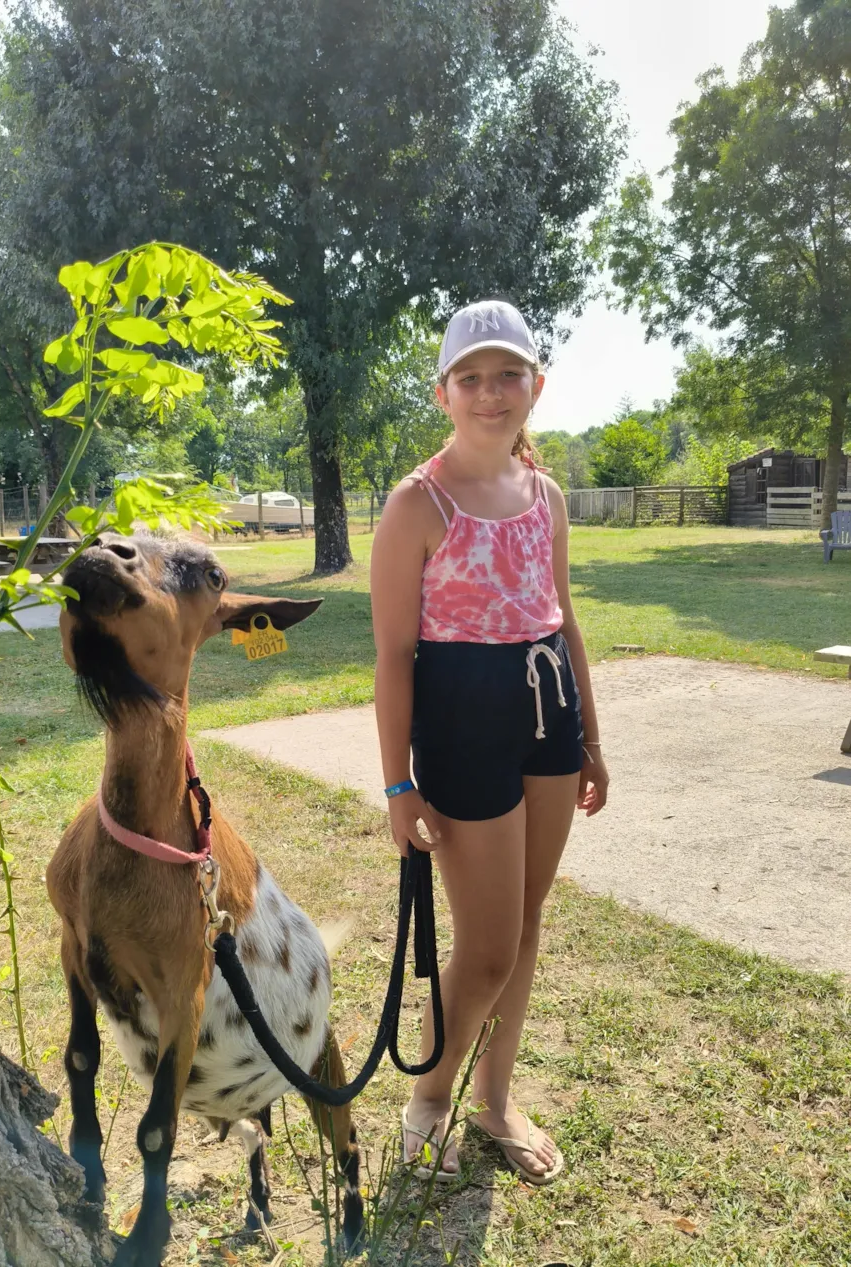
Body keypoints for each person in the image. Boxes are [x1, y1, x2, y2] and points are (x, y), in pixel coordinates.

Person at [370, 300, 609, 1185]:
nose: (490, 391)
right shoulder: (416, 504)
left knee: (527, 919)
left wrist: (591, 737)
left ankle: (494, 1098)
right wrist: (398, 785)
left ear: (535, 385)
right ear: (443, 393)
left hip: (548, 715)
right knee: (486, 946)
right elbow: (394, 657)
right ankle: (430, 1097)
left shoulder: (547, 496)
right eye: (470, 377)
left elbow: (564, 619)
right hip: (462, 724)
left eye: (508, 374)